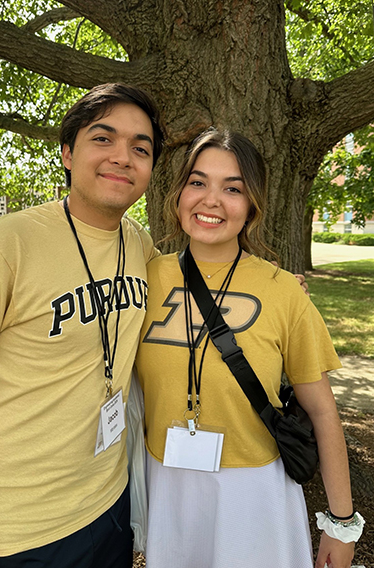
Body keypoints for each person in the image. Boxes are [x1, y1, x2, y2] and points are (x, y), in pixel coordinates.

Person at [0, 82, 165, 568]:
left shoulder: (139, 244)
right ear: (68, 154)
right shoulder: (7, 243)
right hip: (18, 529)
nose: (123, 157)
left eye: (140, 148)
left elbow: (194, 292)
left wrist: (272, 288)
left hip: (110, 500)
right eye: (104, 139)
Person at [135, 128, 364, 568]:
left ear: (253, 204)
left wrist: (340, 523)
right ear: (179, 192)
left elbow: (321, 411)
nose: (211, 200)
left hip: (254, 493)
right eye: (198, 182)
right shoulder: (144, 277)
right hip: (167, 482)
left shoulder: (282, 290)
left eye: (233, 188)